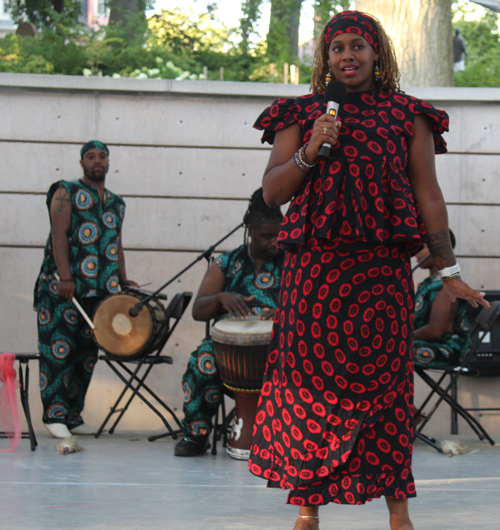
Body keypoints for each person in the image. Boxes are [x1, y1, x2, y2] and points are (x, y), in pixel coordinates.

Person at [247, 10, 488, 530]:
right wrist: (311, 150)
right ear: (326, 58)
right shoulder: (300, 112)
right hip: (314, 274)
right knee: (307, 390)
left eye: (358, 45)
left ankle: (398, 515)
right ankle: (307, 509)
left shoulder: (407, 115)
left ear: (378, 53)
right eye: (337, 48)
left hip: (380, 275)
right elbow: (272, 193)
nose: (348, 56)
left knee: (386, 391)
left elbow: (428, 196)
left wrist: (448, 272)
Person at [34, 141, 137, 439]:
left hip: (100, 292)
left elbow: (115, 243)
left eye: (102, 156)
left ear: (108, 162)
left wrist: (122, 278)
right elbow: (58, 235)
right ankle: (54, 414)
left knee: (86, 354)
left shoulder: (117, 203)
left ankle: (72, 414)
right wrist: (65, 277)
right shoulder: (66, 191)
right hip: (62, 289)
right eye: (90, 157)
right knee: (58, 351)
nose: (97, 161)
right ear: (82, 163)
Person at [174, 188, 284, 457]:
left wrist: (286, 310)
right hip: (229, 356)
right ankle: (196, 434)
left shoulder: (294, 261)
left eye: (279, 235)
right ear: (249, 230)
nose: (275, 242)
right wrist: (221, 298)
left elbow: (315, 304)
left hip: (280, 348)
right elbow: (199, 311)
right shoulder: (227, 262)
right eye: (267, 236)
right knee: (202, 359)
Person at [413, 231, 470, 369]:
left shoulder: (446, 286)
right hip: (425, 344)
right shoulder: (428, 283)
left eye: (423, 247)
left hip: (445, 350)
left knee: (389, 350)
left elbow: (435, 331)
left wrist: (403, 337)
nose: (416, 252)